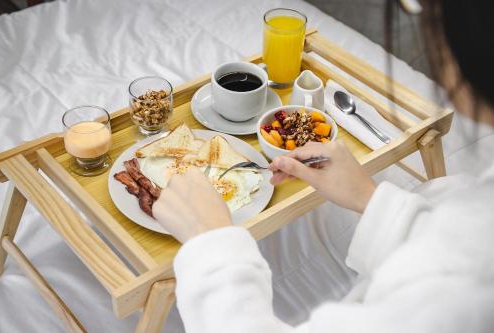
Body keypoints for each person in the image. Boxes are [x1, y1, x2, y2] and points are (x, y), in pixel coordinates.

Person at [153, 0, 494, 332]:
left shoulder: (458, 297)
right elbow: (445, 244)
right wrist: (370, 198)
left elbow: (451, 268)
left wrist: (211, 243)